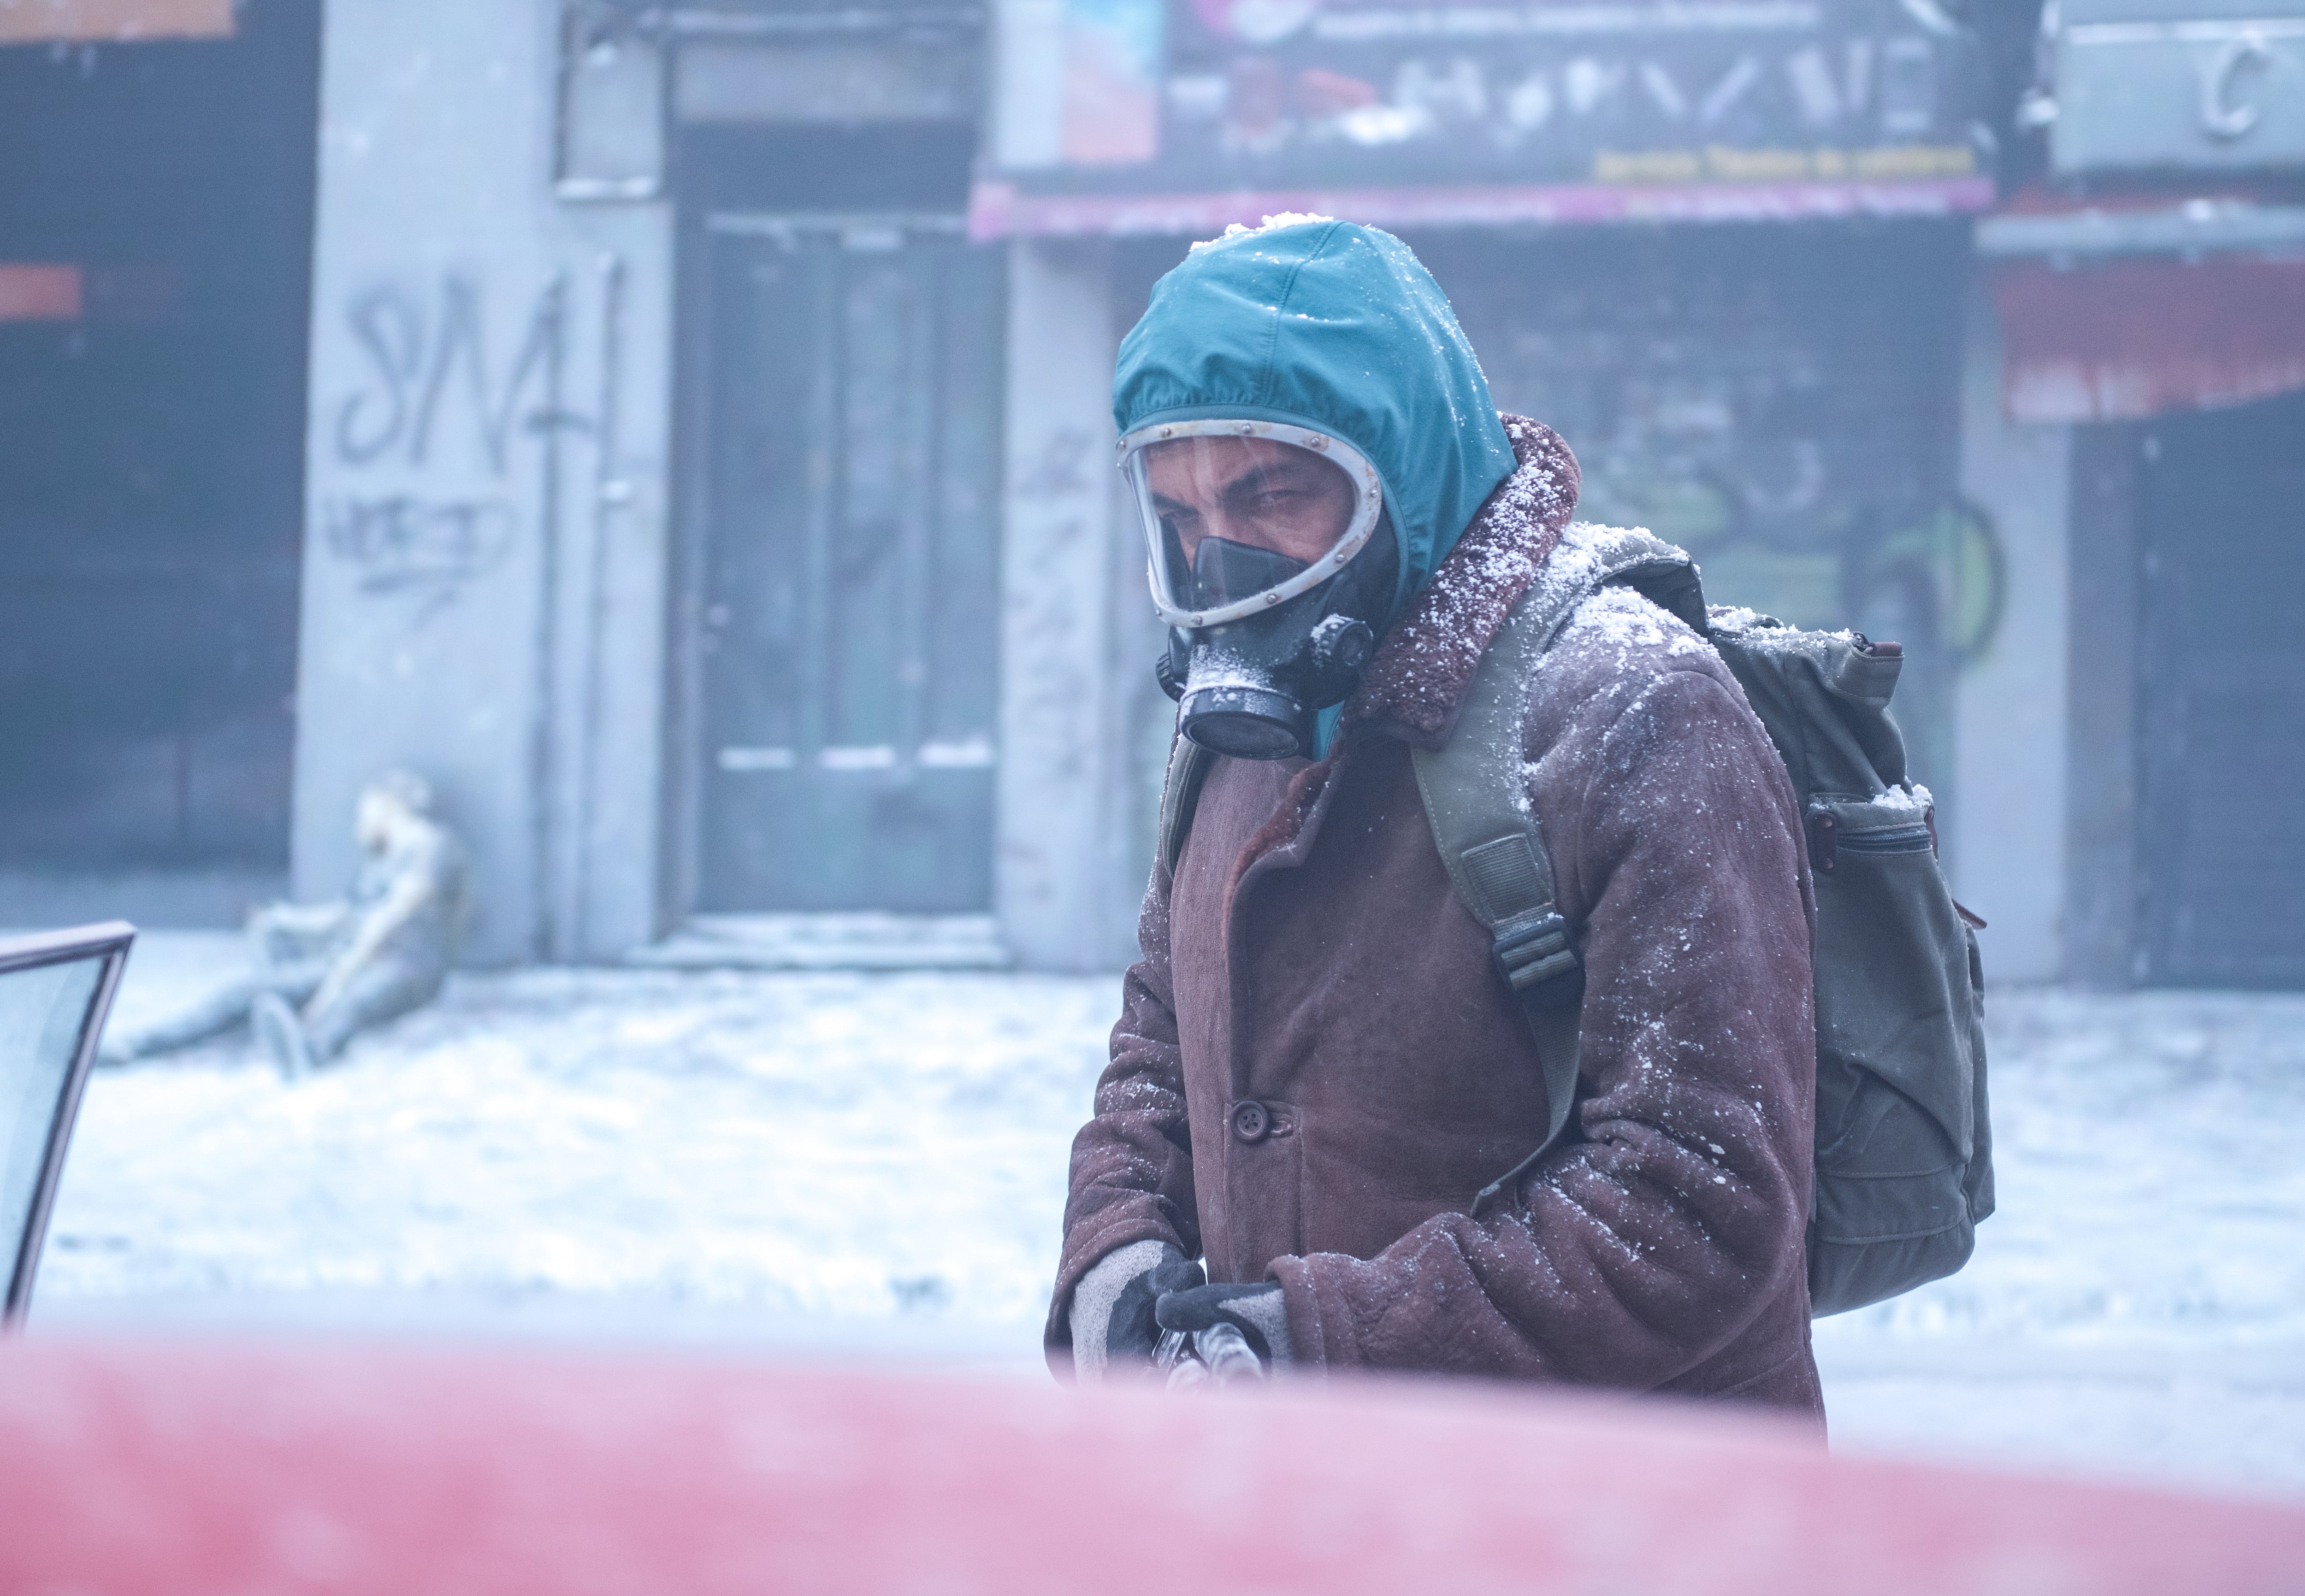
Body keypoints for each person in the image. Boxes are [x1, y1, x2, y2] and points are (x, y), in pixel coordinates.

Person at [1051, 218, 1823, 1417]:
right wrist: (1115, 1256)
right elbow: (1163, 1033)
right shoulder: (1240, 729)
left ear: (1400, 477)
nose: (1223, 565)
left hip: (1613, 1496)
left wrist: (1318, 1339)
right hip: (1310, 1486)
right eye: (1183, 517)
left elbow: (1699, 1200)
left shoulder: (1634, 709)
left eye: (1272, 495)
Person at [102, 770, 469, 1079]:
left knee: (350, 1007)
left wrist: (335, 984)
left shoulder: (431, 846)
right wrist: (286, 920)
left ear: (388, 804)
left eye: (366, 808)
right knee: (246, 991)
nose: (361, 819)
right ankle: (139, 1045)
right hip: (347, 962)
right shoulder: (380, 858)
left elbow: (388, 921)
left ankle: (310, 1053)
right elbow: (343, 915)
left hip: (405, 968)